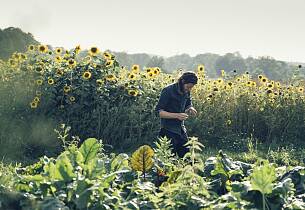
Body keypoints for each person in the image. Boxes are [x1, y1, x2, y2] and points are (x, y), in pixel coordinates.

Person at [155, 71, 198, 158]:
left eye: (191, 87)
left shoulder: (186, 91)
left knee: (187, 158)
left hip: (181, 130)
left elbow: (188, 103)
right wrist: (177, 115)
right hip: (167, 130)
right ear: (182, 81)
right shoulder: (168, 91)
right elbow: (159, 112)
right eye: (188, 87)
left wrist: (190, 108)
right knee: (169, 160)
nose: (189, 89)